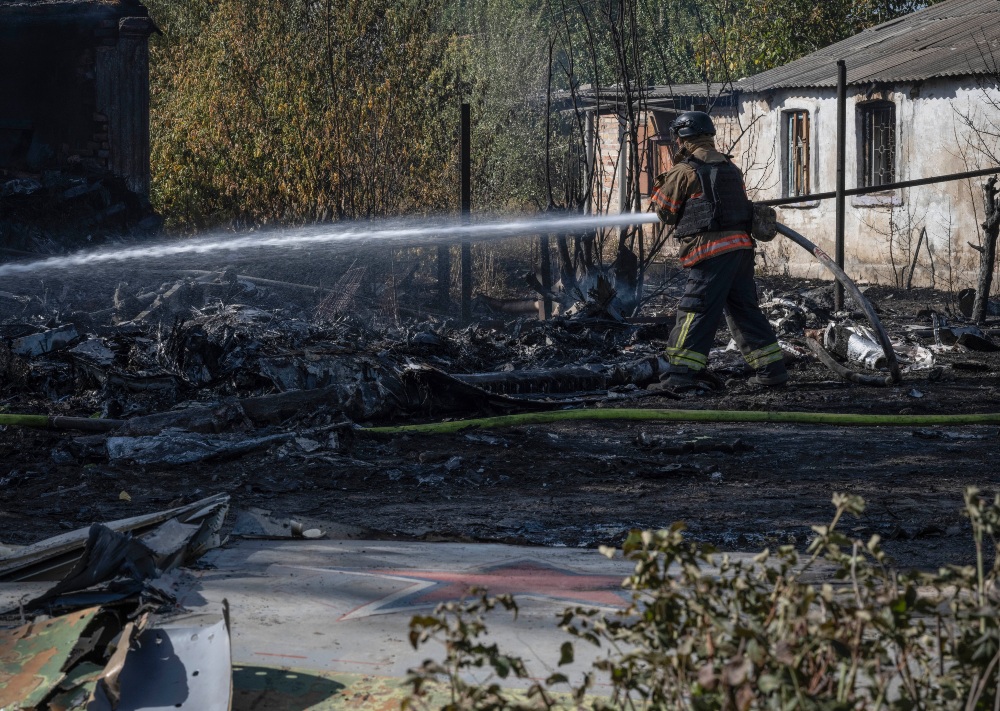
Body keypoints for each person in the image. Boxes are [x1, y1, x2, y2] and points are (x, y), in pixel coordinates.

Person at [649, 110, 787, 390]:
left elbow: (666, 212)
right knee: (744, 310)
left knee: (695, 310)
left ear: (682, 138)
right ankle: (771, 372)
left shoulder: (685, 171)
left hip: (710, 252)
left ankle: (679, 376)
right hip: (741, 251)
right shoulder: (730, 168)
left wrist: (666, 183)